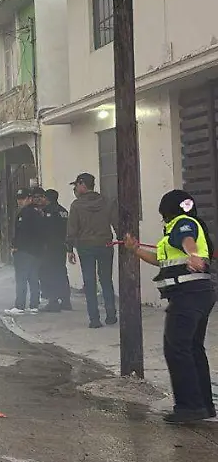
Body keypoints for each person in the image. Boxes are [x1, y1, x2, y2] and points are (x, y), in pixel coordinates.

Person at [123, 189, 216, 423]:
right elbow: (160, 261)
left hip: (188, 295)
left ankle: (189, 407)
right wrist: (135, 250)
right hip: (198, 294)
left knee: (177, 349)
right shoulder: (181, 227)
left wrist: (193, 255)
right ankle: (203, 405)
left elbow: (188, 241)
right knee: (192, 348)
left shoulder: (183, 223)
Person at [67, 172, 118, 328]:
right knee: (106, 280)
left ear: (83, 185)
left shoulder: (76, 205)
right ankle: (111, 315)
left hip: (85, 247)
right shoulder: (107, 202)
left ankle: (94, 319)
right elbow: (116, 223)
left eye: (76, 185)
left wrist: (69, 248)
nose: (75, 188)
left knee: (89, 282)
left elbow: (72, 228)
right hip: (105, 245)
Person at [5, 188, 44, 316]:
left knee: (21, 278)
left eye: (22, 198)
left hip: (24, 251)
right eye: (18, 198)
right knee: (33, 278)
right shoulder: (38, 212)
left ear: (29, 198)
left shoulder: (25, 213)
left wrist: (16, 246)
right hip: (36, 251)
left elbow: (22, 233)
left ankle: (20, 305)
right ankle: (34, 305)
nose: (19, 201)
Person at [39, 189, 74, 312]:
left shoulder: (47, 211)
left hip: (50, 247)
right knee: (61, 271)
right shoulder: (63, 211)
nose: (41, 200)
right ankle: (66, 301)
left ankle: (53, 301)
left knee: (50, 273)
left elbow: (44, 230)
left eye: (42, 197)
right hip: (61, 246)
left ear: (47, 198)